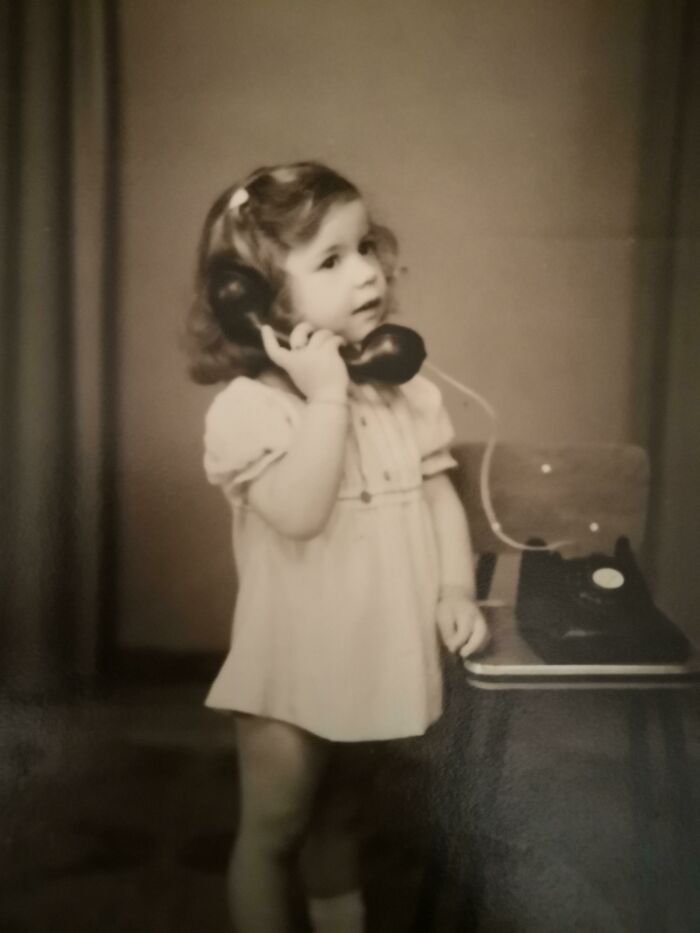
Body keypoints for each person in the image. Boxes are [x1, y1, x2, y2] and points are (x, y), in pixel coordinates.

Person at [185, 161, 489, 933]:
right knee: (276, 828)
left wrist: (455, 587)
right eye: (330, 259)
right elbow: (298, 512)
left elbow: (438, 495)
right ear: (254, 298)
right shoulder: (249, 412)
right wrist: (325, 397)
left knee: (343, 817)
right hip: (292, 660)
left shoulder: (404, 393)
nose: (366, 272)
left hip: (375, 648)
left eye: (366, 247)